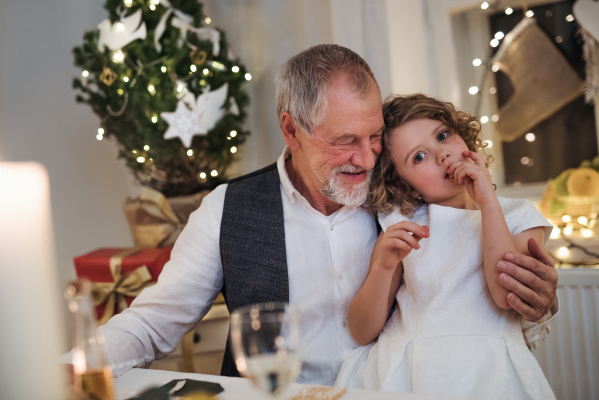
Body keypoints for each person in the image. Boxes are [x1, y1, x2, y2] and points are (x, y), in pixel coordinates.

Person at [74, 45, 558, 386]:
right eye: (345, 141)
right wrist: (70, 368)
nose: (367, 160)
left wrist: (538, 299)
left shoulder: (399, 195)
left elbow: (466, 279)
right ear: (291, 129)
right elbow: (154, 323)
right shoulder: (229, 209)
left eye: (373, 137)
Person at [335, 94, 556, 398]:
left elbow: (507, 295)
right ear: (404, 185)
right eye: (419, 157)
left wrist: (487, 202)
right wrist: (383, 267)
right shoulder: (401, 225)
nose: (441, 155)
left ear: (462, 135)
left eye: (442, 136)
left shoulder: (517, 215)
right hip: (406, 372)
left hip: (491, 370)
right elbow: (361, 331)